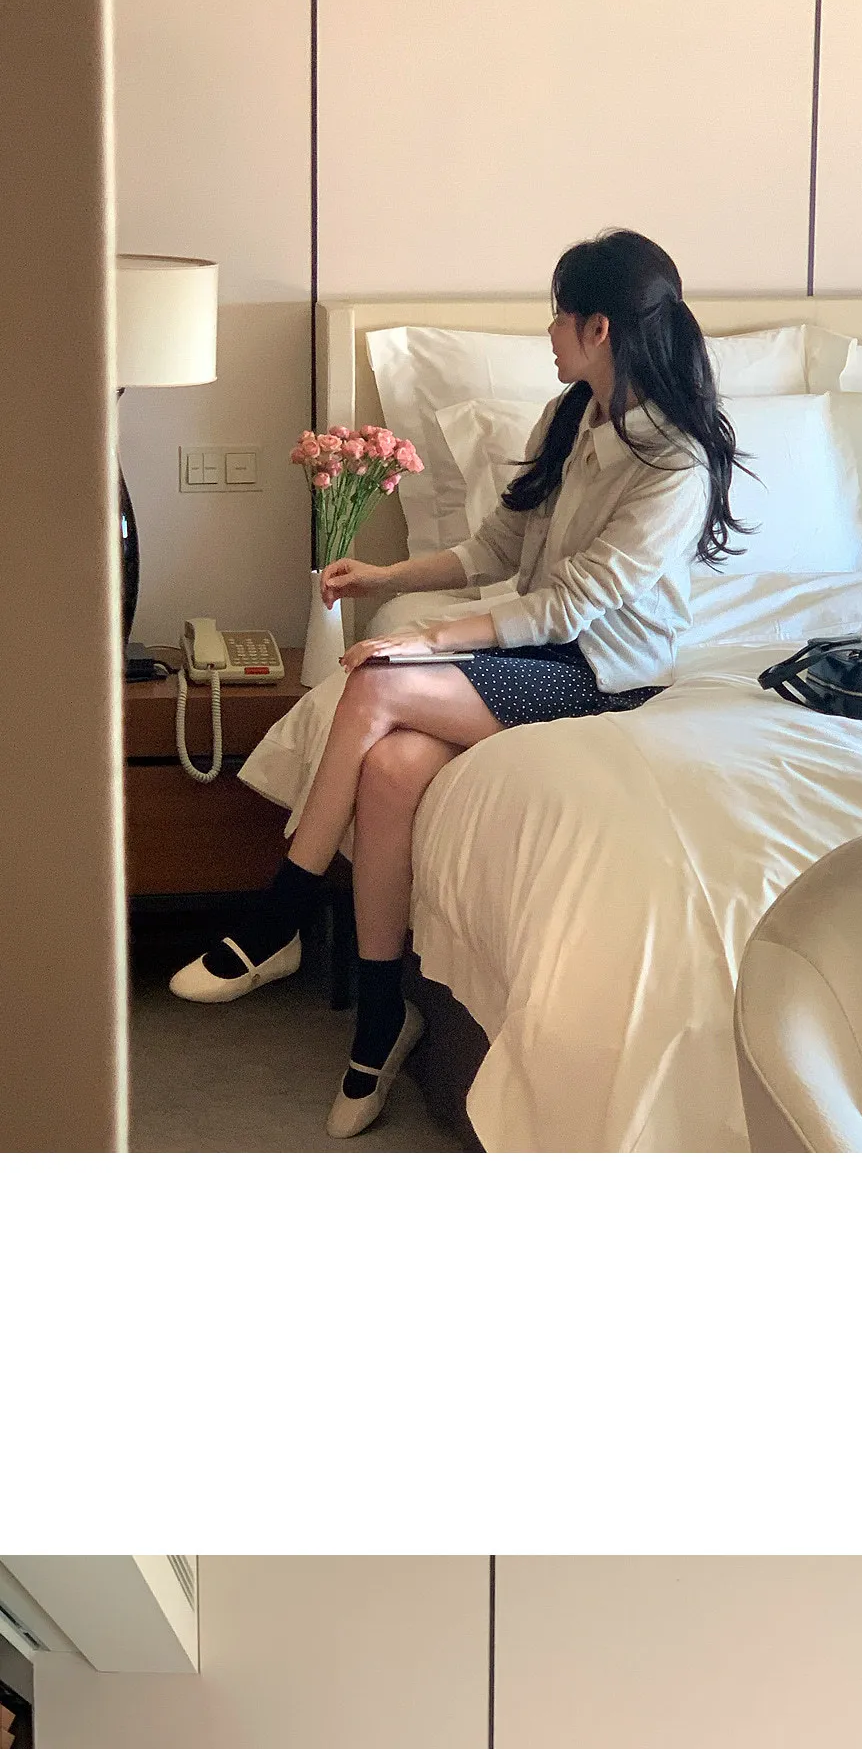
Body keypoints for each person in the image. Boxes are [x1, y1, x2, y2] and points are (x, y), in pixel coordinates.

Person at [169, 227, 741, 1134]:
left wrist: (426, 642)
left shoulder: (674, 463)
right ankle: (381, 1021)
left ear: (598, 327)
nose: (548, 332)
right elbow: (498, 549)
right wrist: (385, 579)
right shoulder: (568, 418)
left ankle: (279, 919)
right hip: (539, 656)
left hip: (609, 676)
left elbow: (571, 607)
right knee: (393, 768)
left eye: (558, 315)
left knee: (376, 683)